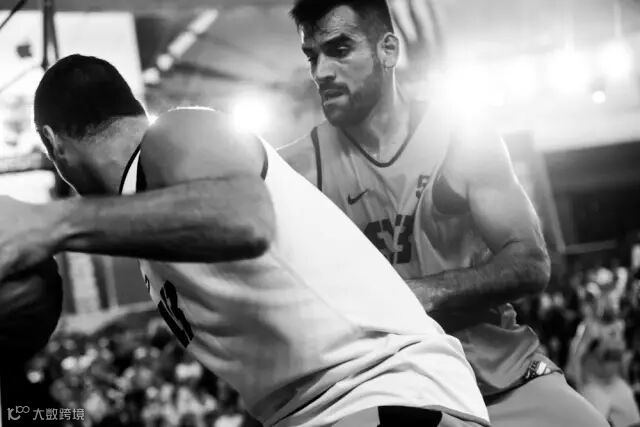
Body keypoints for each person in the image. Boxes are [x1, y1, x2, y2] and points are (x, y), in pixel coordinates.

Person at [0, 54, 489, 426]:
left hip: (385, 389)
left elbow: (246, 221)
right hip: (331, 408)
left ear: (54, 143)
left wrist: (51, 222)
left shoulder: (176, 133)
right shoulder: (154, 218)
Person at [279, 0, 609, 425]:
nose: (321, 71)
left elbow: (531, 262)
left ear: (388, 50)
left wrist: (424, 293)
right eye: (312, 56)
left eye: (339, 50)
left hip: (499, 377)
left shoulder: (461, 139)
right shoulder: (298, 171)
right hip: (387, 388)